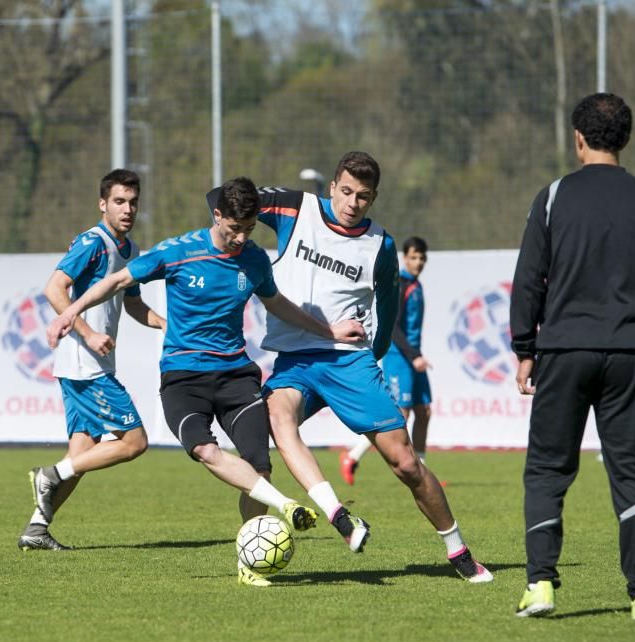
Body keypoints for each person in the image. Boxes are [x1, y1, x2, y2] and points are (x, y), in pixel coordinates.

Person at [45, 176, 366, 586]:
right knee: (204, 450)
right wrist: (71, 313)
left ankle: (251, 565)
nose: (241, 238)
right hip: (183, 378)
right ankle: (287, 506)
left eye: (249, 229)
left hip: (236, 376)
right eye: (234, 228)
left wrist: (329, 331)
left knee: (259, 469)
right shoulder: (178, 252)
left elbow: (278, 303)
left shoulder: (253, 260)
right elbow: (117, 282)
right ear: (218, 216)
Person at [215, 152, 491, 583]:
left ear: (374, 197)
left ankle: (458, 551)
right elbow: (223, 195)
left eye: (363, 196)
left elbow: (388, 302)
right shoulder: (294, 207)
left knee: (405, 463)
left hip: (349, 363)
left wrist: (374, 354)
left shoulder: (380, 244)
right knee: (275, 420)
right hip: (295, 361)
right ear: (332, 188)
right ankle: (332, 516)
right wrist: (232, 240)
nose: (352, 202)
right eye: (345, 191)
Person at [510, 93, 635, 620]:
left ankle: (541, 585)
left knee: (546, 470)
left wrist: (525, 348)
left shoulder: (554, 196)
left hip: (564, 350)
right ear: (626, 139)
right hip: (633, 354)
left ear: (578, 139)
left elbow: (528, 280)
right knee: (634, 474)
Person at [18, 169, 166, 551]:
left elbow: (132, 305)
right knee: (134, 442)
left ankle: (36, 528)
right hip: (84, 364)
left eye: (133, 202)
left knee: (82, 454)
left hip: (90, 365)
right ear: (103, 204)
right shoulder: (93, 242)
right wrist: (88, 333)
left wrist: (167, 326)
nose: (127, 209)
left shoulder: (130, 251)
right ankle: (48, 474)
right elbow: (54, 288)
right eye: (119, 201)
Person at [340, 236, 433, 484]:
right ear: (405, 257)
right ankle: (352, 455)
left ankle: (422, 468)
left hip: (414, 356)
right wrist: (414, 357)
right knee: (399, 413)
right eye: (414, 257)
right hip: (400, 356)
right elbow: (394, 328)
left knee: (424, 411)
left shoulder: (417, 285)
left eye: (422, 257)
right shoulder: (402, 283)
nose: (419, 262)